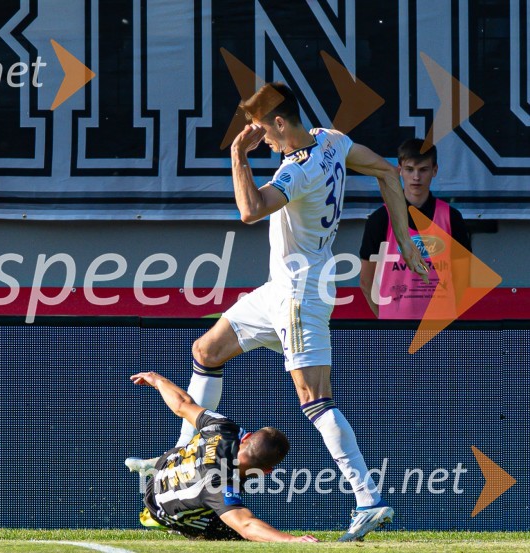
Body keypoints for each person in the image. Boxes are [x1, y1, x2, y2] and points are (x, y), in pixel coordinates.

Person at [126, 83, 428, 542]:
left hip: (298, 296)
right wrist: (403, 238)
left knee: (315, 399)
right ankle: (185, 452)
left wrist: (238, 156)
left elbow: (249, 210)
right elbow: (387, 173)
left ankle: (368, 498)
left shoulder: (295, 171)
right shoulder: (332, 139)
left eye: (264, 130)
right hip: (280, 290)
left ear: (281, 123)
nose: (261, 137)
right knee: (206, 350)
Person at [130, 370, 318, 543]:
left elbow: (182, 404)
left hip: (167, 464)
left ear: (248, 438)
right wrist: (291, 540)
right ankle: (171, 521)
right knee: (230, 534)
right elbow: (246, 525)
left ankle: (158, 463)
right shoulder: (219, 487)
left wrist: (157, 380)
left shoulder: (221, 427)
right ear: (266, 471)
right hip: (158, 506)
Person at [359, 139, 472, 319]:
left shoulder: (452, 218)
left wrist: (446, 316)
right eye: (410, 169)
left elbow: (463, 280)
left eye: (423, 170)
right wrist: (386, 319)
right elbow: (366, 282)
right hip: (394, 330)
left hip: (439, 327)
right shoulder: (380, 219)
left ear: (434, 171)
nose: (416, 177)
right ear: (400, 170)